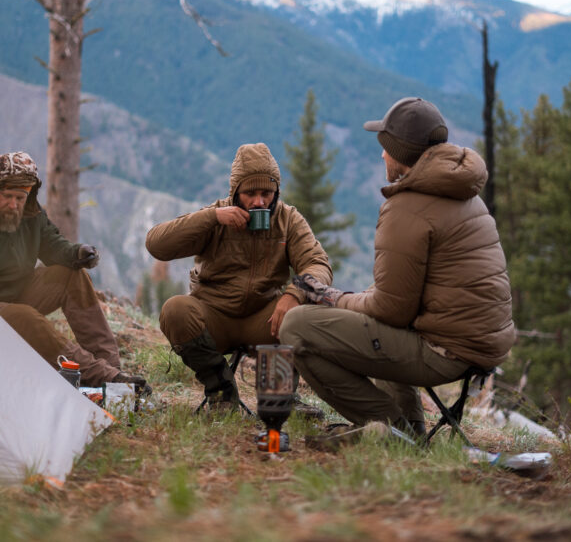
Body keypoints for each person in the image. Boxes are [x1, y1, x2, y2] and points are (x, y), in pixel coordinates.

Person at [279, 97, 514, 438]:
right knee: (367, 319)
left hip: (446, 351)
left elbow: (391, 310)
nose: (381, 155)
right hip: (480, 343)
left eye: (385, 148)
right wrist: (350, 300)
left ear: (401, 153)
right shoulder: (462, 192)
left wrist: (332, 298)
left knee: (297, 325)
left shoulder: (407, 208)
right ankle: (412, 428)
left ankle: (393, 430)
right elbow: (405, 297)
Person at [0, 151, 145, 388]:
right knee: (25, 316)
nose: (14, 205)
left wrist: (77, 253)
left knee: (71, 276)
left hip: (20, 293)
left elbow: (52, 245)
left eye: (21, 197)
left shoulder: (30, 214)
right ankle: (96, 375)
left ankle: (113, 372)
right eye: (7, 196)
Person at [145, 142, 332, 408]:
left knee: (298, 313)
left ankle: (279, 400)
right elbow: (156, 244)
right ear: (235, 192)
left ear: (276, 191)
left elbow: (318, 265)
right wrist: (211, 217)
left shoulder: (288, 220)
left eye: (267, 193)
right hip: (213, 316)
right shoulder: (215, 217)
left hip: (263, 319)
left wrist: (295, 293)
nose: (259, 201)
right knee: (175, 310)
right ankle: (221, 392)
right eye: (250, 193)